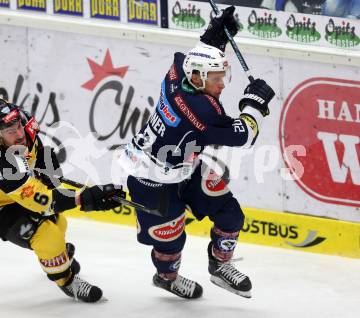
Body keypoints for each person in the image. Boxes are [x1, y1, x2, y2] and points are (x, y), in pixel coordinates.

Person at [117, 6, 275, 299]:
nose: (222, 83)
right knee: (170, 239)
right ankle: (166, 277)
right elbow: (245, 135)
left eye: (221, 75)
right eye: (216, 77)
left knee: (230, 214)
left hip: (184, 165)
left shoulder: (178, 71)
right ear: (199, 78)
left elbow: (199, 50)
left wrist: (217, 33)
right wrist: (254, 104)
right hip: (149, 178)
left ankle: (220, 265)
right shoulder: (201, 111)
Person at [0, 99, 124, 303]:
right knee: (48, 236)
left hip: (15, 195)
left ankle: (56, 257)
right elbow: (45, 201)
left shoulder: (26, 131)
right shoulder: (0, 166)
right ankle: (66, 281)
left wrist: (44, 167)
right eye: (10, 131)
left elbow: (38, 156)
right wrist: (86, 198)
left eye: (18, 126)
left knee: (58, 223)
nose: (20, 134)